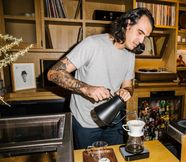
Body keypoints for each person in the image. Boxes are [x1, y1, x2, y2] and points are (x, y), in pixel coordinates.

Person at [47, 7, 154, 149]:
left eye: (145, 37)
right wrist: (87, 89)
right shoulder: (92, 44)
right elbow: (54, 73)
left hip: (113, 121)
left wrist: (127, 90)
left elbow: (128, 84)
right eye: (139, 32)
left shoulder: (130, 54)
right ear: (128, 24)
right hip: (86, 123)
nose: (141, 41)